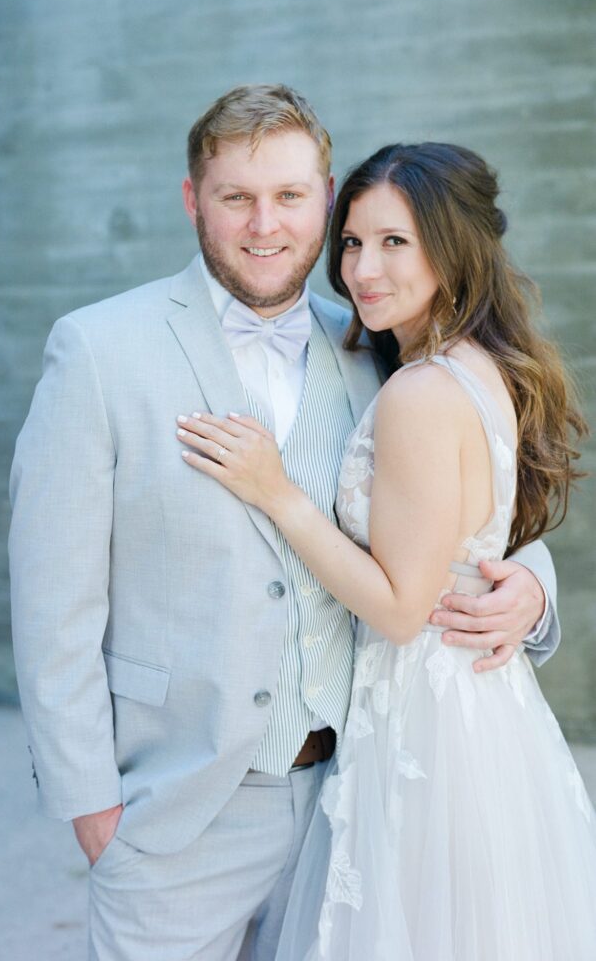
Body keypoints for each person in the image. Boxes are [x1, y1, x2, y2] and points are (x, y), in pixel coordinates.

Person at [9, 88, 560, 961]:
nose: (265, 225)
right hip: (179, 814)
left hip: (359, 796)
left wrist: (532, 589)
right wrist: (93, 809)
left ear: (324, 197)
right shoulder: (98, 351)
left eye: (292, 198)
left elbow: (472, 507)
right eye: (236, 198)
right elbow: (52, 601)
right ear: (195, 200)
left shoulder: (378, 343)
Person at [175, 141, 595, 960]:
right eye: (355, 243)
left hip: (427, 715)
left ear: (453, 245)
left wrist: (276, 491)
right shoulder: (475, 367)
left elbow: (403, 607)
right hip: (476, 705)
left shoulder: (419, 392)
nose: (364, 269)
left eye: (395, 242)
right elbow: (476, 542)